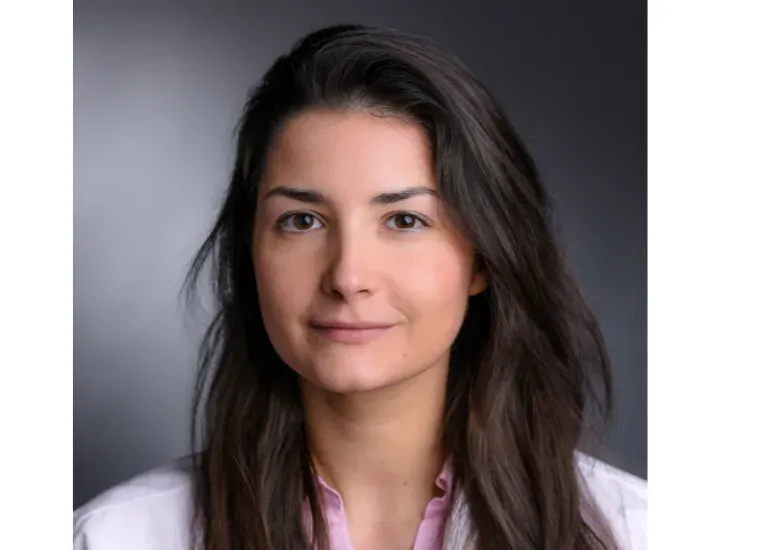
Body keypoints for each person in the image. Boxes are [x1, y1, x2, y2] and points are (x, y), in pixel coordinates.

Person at [73, 23, 647, 550]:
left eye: (405, 220)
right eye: (302, 221)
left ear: (483, 259)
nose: (348, 277)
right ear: (250, 254)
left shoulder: (639, 532)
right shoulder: (116, 538)